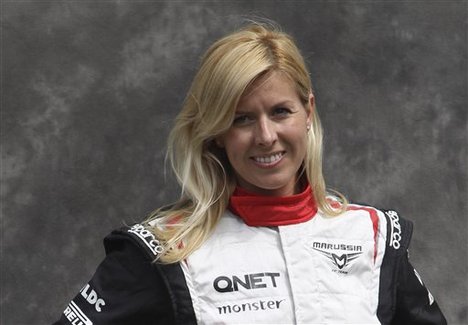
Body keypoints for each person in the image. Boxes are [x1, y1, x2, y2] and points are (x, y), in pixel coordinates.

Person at [54, 22, 447, 325]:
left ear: (308, 112)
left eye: (280, 112)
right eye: (241, 119)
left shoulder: (374, 237)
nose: (265, 136)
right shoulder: (167, 251)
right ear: (217, 134)